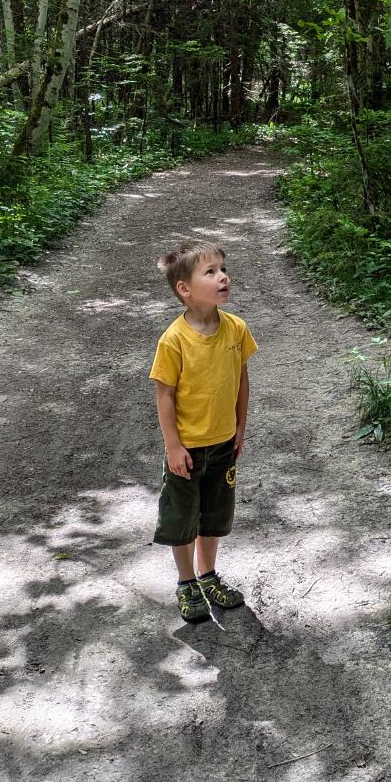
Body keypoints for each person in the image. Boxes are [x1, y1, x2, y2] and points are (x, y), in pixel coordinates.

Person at [149, 239, 257, 622]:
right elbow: (165, 396)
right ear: (185, 288)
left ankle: (208, 575)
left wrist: (241, 426)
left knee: (214, 515)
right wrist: (173, 447)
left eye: (223, 269)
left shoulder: (236, 330)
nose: (223, 277)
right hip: (187, 449)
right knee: (182, 518)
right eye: (210, 272)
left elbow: (241, 380)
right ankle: (186, 582)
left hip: (225, 443)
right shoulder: (174, 340)